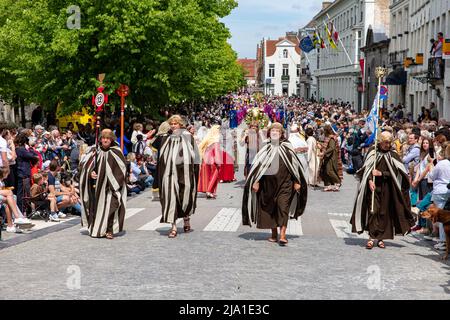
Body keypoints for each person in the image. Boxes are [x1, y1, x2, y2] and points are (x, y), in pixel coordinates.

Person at [242, 122, 307, 246]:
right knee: (270, 208)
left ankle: (282, 234)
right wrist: (255, 181)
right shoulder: (265, 147)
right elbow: (258, 166)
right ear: (269, 133)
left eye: (277, 131)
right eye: (273, 131)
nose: (275, 132)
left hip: (285, 184)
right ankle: (273, 233)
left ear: (282, 133)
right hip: (268, 185)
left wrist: (297, 181)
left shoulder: (287, 146)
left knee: (283, 207)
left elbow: (294, 165)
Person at [351, 131, 415, 249]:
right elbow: (366, 169)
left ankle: (380, 238)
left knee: (384, 213)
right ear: (380, 142)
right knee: (373, 211)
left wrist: (382, 173)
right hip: (373, 187)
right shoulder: (372, 152)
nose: (388, 145)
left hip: (387, 187)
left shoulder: (393, 154)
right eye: (385, 142)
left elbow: (397, 173)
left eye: (389, 143)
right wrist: (370, 180)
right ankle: (371, 237)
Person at [79, 129, 127, 239]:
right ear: (100, 139)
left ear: (111, 139)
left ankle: (109, 230)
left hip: (112, 186)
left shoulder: (116, 151)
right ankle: (97, 228)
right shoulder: (94, 151)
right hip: (97, 187)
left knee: (112, 206)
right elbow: (84, 166)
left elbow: (122, 168)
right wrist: (91, 173)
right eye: (103, 138)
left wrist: (114, 182)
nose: (105, 140)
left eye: (108, 138)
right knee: (97, 208)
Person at [158, 115, 199, 238]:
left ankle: (186, 219)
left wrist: (194, 173)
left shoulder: (187, 136)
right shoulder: (166, 138)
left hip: (184, 173)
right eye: (171, 123)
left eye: (175, 123)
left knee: (184, 196)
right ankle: (173, 226)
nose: (173, 125)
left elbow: (195, 155)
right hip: (169, 174)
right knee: (171, 198)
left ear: (180, 124)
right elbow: (162, 157)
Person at [197, 125, 222, 199]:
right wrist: (218, 161)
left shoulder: (208, 138)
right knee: (214, 176)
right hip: (213, 160)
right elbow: (216, 152)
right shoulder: (216, 139)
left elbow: (200, 147)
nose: (219, 131)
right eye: (218, 129)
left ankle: (209, 191)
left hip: (205, 159)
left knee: (208, 175)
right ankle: (209, 191)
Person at [318, 125, 343, 192]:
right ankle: (328, 185)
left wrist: (324, 153)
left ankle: (338, 182)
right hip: (327, 156)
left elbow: (331, 148)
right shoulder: (327, 137)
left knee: (330, 171)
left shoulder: (331, 138)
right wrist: (320, 144)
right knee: (325, 171)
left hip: (331, 157)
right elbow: (326, 145)